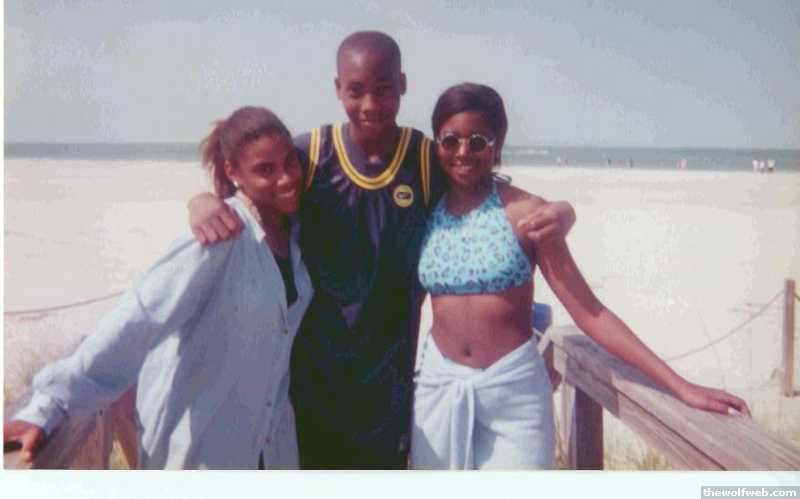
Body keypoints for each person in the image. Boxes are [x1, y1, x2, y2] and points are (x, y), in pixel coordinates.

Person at [186, 31, 577, 468]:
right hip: (313, 379)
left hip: (389, 385)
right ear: (337, 89)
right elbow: (252, 180)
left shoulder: (424, 158)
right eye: (356, 91)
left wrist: (562, 211)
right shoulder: (311, 154)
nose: (370, 103)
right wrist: (204, 201)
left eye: (384, 89)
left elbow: (483, 184)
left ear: (403, 85)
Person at [411, 83, 751, 470]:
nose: (462, 152)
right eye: (450, 140)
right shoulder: (422, 208)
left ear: (497, 144)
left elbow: (590, 312)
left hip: (513, 395)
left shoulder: (527, 215)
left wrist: (681, 387)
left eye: (477, 141)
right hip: (439, 387)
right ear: (436, 143)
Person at [3, 106, 313, 469]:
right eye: (265, 170)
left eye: (290, 162)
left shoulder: (293, 236)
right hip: (203, 456)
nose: (286, 178)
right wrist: (47, 408)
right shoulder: (218, 238)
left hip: (269, 452)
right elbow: (138, 319)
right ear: (233, 172)